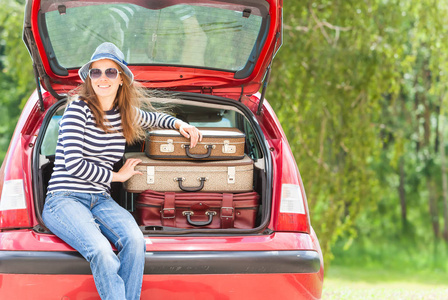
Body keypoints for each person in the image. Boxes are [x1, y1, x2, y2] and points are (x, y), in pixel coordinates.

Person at [42, 42, 202, 300]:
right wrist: (117, 176)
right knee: (101, 251)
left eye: (110, 72)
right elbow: (72, 163)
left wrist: (181, 124)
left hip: (100, 199)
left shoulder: (125, 113)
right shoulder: (77, 109)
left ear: (121, 80)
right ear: (89, 79)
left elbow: (156, 118)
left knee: (136, 242)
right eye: (96, 72)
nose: (102, 78)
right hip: (64, 198)